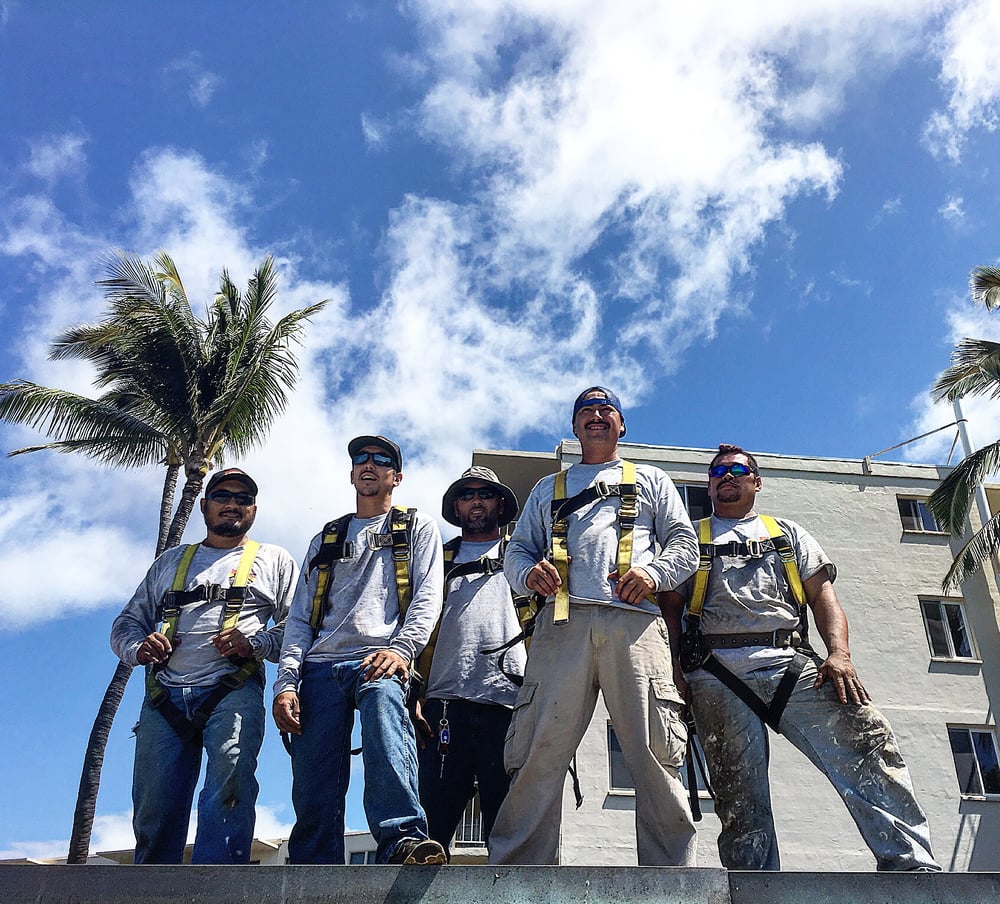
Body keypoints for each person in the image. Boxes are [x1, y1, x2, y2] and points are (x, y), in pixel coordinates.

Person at [660, 443, 940, 871]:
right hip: (715, 675)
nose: (727, 476)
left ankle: (911, 866)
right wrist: (675, 670)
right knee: (739, 798)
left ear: (757, 481)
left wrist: (840, 654)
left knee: (866, 744)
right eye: (718, 472)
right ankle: (754, 888)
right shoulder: (690, 540)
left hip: (791, 665)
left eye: (737, 469)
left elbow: (823, 597)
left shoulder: (788, 533)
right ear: (709, 485)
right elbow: (671, 612)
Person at [488, 387, 699, 866]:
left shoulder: (651, 479)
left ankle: (671, 878)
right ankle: (519, 873)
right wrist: (527, 574)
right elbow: (516, 550)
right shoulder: (548, 489)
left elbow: (685, 545)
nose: (597, 417)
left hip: (636, 627)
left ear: (622, 425)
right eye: (586, 411)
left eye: (607, 410)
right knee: (540, 745)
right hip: (562, 627)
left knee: (652, 748)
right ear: (574, 426)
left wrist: (651, 574)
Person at [274, 435, 447, 865]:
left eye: (381, 460)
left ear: (397, 476)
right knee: (313, 779)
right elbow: (300, 619)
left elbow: (428, 598)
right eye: (360, 459)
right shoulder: (325, 539)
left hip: (380, 658)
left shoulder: (416, 528)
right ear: (351, 473)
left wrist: (403, 651)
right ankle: (313, 867)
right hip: (319, 666)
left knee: (386, 715)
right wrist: (286, 683)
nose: (368, 464)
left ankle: (403, 840)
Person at [111, 468, 298, 864]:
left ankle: (216, 884)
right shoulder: (171, 562)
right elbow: (127, 623)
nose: (233, 504)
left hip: (232, 691)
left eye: (243, 498)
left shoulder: (273, 559)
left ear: (254, 509)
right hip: (165, 697)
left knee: (229, 786)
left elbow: (299, 630)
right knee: (154, 803)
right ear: (204, 505)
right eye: (223, 496)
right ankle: (152, 891)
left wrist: (256, 643)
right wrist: (139, 647)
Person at [412, 466, 526, 858]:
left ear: (500, 504)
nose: (476, 501)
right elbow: (412, 629)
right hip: (443, 706)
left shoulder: (523, 556)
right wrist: (414, 695)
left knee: (509, 840)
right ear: (456, 507)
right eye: (467, 494)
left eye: (485, 494)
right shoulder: (433, 562)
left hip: (510, 707)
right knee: (429, 834)